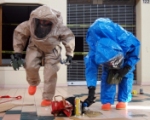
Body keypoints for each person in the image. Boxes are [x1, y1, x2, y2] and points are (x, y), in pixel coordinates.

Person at [11, 5, 75, 107]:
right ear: (36, 19)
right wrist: (18, 51)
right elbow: (20, 34)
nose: (43, 23)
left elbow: (69, 38)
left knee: (50, 73)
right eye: (41, 20)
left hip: (53, 49)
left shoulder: (60, 27)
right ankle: (33, 82)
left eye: (46, 21)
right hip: (35, 46)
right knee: (30, 65)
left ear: (53, 20)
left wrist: (69, 53)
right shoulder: (30, 24)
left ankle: (47, 98)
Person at [83, 18, 140, 111]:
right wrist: (91, 90)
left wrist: (127, 66)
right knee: (108, 77)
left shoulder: (124, 39)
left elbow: (135, 48)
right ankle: (107, 101)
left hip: (125, 59)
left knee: (126, 76)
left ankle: (123, 100)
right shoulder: (95, 49)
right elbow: (91, 69)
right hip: (110, 62)